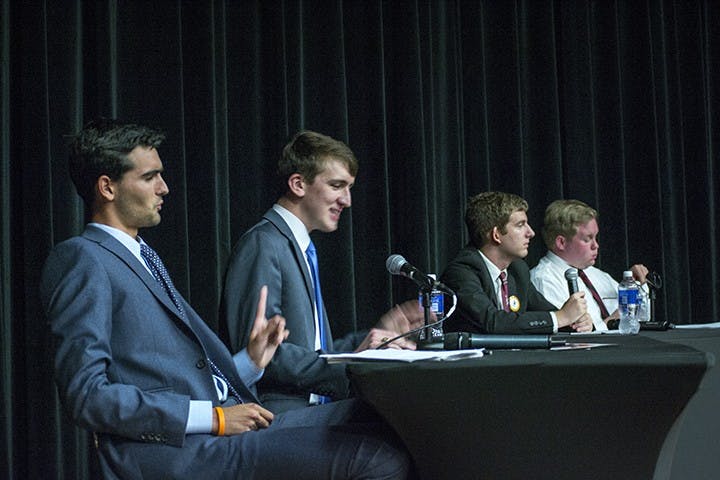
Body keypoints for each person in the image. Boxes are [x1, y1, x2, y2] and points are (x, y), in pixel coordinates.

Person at [40, 119, 410, 479]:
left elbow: (187, 374)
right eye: (150, 176)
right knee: (378, 459)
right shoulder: (82, 257)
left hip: (223, 423)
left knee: (389, 416)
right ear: (108, 187)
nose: (165, 188)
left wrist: (249, 362)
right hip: (177, 451)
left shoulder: (144, 256)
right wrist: (213, 418)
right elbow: (87, 396)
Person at [220, 130, 425, 413]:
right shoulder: (263, 244)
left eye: (349, 187)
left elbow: (312, 353)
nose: (347, 200)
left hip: (313, 410)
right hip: (277, 415)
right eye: (337, 185)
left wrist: (381, 335)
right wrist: (353, 368)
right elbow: (262, 352)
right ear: (298, 184)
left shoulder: (298, 248)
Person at [440, 191, 593, 334]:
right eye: (520, 225)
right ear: (496, 235)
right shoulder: (461, 272)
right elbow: (492, 322)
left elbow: (545, 315)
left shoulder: (517, 270)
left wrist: (575, 323)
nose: (531, 233)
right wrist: (561, 317)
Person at [530, 199, 649, 330]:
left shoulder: (597, 275)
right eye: (587, 239)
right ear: (561, 243)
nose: (596, 245)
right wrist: (611, 323)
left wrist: (635, 286)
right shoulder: (545, 280)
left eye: (595, 237)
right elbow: (569, 335)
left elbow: (641, 317)